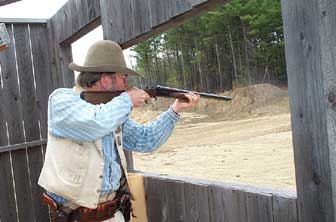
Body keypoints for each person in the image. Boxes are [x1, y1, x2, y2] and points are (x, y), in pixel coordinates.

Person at [38, 40, 200, 222]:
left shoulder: (111, 109)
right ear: (106, 80)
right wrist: (127, 100)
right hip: (73, 217)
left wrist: (175, 110)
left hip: (114, 214)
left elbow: (145, 140)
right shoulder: (62, 99)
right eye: (124, 78)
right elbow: (94, 123)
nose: (126, 85)